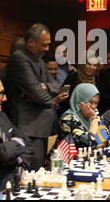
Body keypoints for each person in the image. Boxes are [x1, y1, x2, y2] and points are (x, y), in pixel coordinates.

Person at [6, 23, 68, 171]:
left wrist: (45, 86)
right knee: (30, 172)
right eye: (44, 45)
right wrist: (52, 101)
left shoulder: (39, 60)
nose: (47, 49)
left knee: (38, 167)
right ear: (31, 42)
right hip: (27, 124)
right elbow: (35, 91)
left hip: (40, 123)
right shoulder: (19, 58)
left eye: (48, 45)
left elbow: (55, 85)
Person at [60, 83, 108, 149]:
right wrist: (93, 120)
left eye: (96, 103)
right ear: (79, 100)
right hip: (64, 158)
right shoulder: (68, 118)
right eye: (90, 102)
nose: (93, 106)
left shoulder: (95, 114)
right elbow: (90, 145)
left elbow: (107, 140)